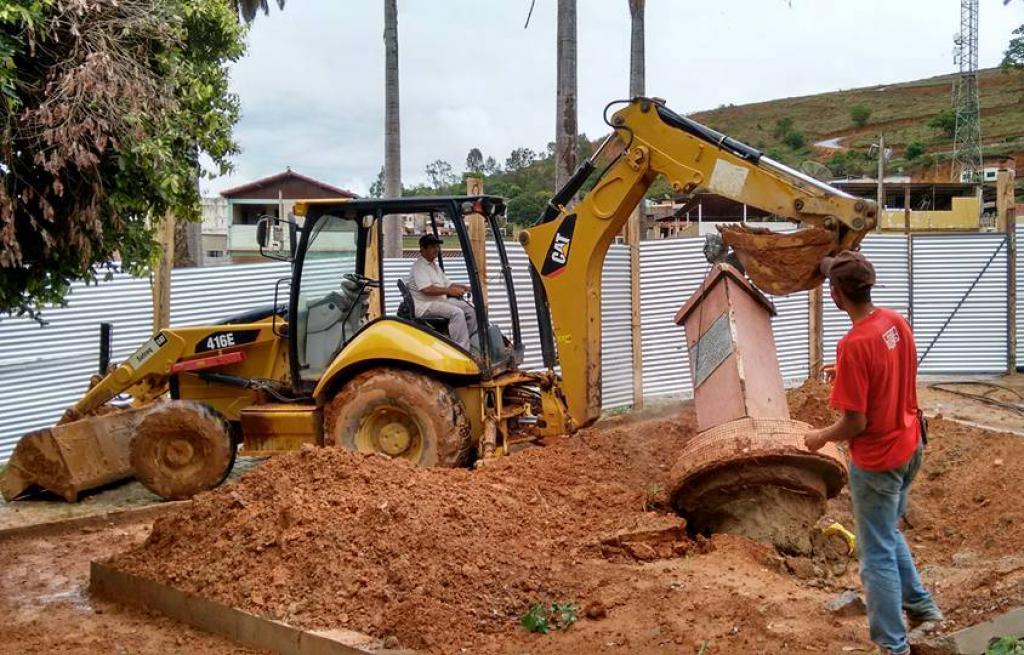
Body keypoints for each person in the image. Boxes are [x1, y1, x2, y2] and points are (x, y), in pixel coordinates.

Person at [804, 251, 942, 655]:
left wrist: (820, 438)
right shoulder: (894, 321)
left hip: (879, 462)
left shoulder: (854, 344)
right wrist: (846, 372)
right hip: (911, 444)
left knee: (875, 553)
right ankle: (922, 607)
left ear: (836, 294)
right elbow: (892, 367)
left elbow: (855, 423)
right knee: (888, 532)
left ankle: (892, 645)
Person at [406, 234, 477, 351]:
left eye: (437, 247)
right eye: (432, 247)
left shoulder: (434, 266)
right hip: (425, 306)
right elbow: (426, 289)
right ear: (422, 249)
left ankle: (468, 343)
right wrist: (449, 291)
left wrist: (466, 287)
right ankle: (462, 350)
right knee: (457, 313)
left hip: (439, 301)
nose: (436, 249)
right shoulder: (419, 267)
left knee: (470, 310)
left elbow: (448, 284)